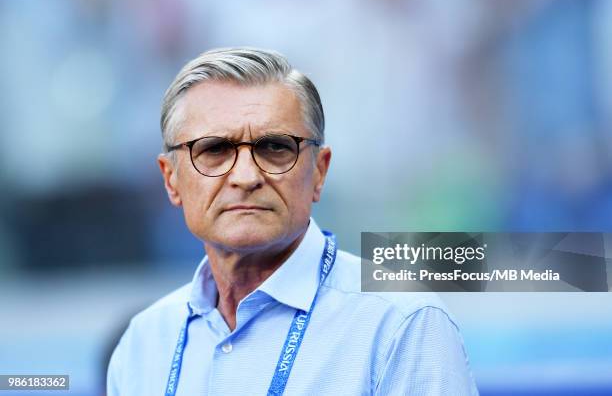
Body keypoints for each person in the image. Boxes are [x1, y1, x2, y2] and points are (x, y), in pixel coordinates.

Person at [106, 47, 479, 395]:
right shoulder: (144, 342)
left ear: (319, 171)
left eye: (275, 148)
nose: (246, 176)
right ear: (170, 179)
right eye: (215, 150)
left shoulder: (399, 326)